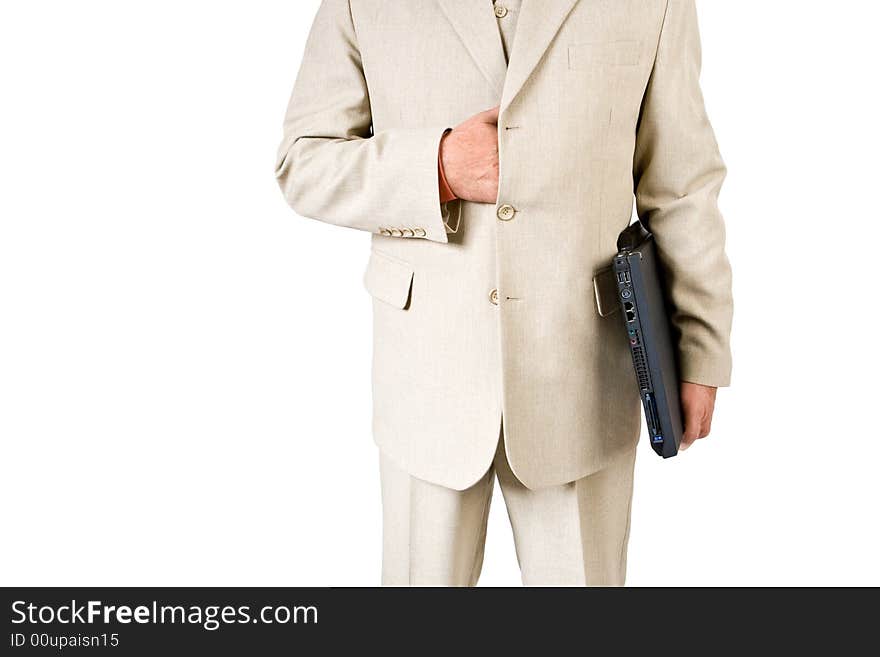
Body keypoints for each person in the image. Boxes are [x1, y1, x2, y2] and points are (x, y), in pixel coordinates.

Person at [275, 0, 733, 586]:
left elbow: (683, 185)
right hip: (426, 376)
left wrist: (701, 349)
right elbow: (303, 161)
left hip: (582, 375)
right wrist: (437, 167)